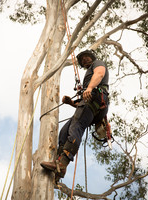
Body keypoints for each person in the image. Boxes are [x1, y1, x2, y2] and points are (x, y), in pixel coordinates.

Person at [40, 49, 109, 181]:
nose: (84, 60)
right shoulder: (88, 76)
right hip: (90, 105)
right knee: (64, 132)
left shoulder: (98, 63)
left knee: (76, 126)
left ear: (92, 57)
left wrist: (89, 88)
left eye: (86, 57)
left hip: (96, 99)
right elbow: (83, 106)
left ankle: (61, 163)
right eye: (82, 60)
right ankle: (60, 167)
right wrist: (71, 102)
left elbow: (99, 74)